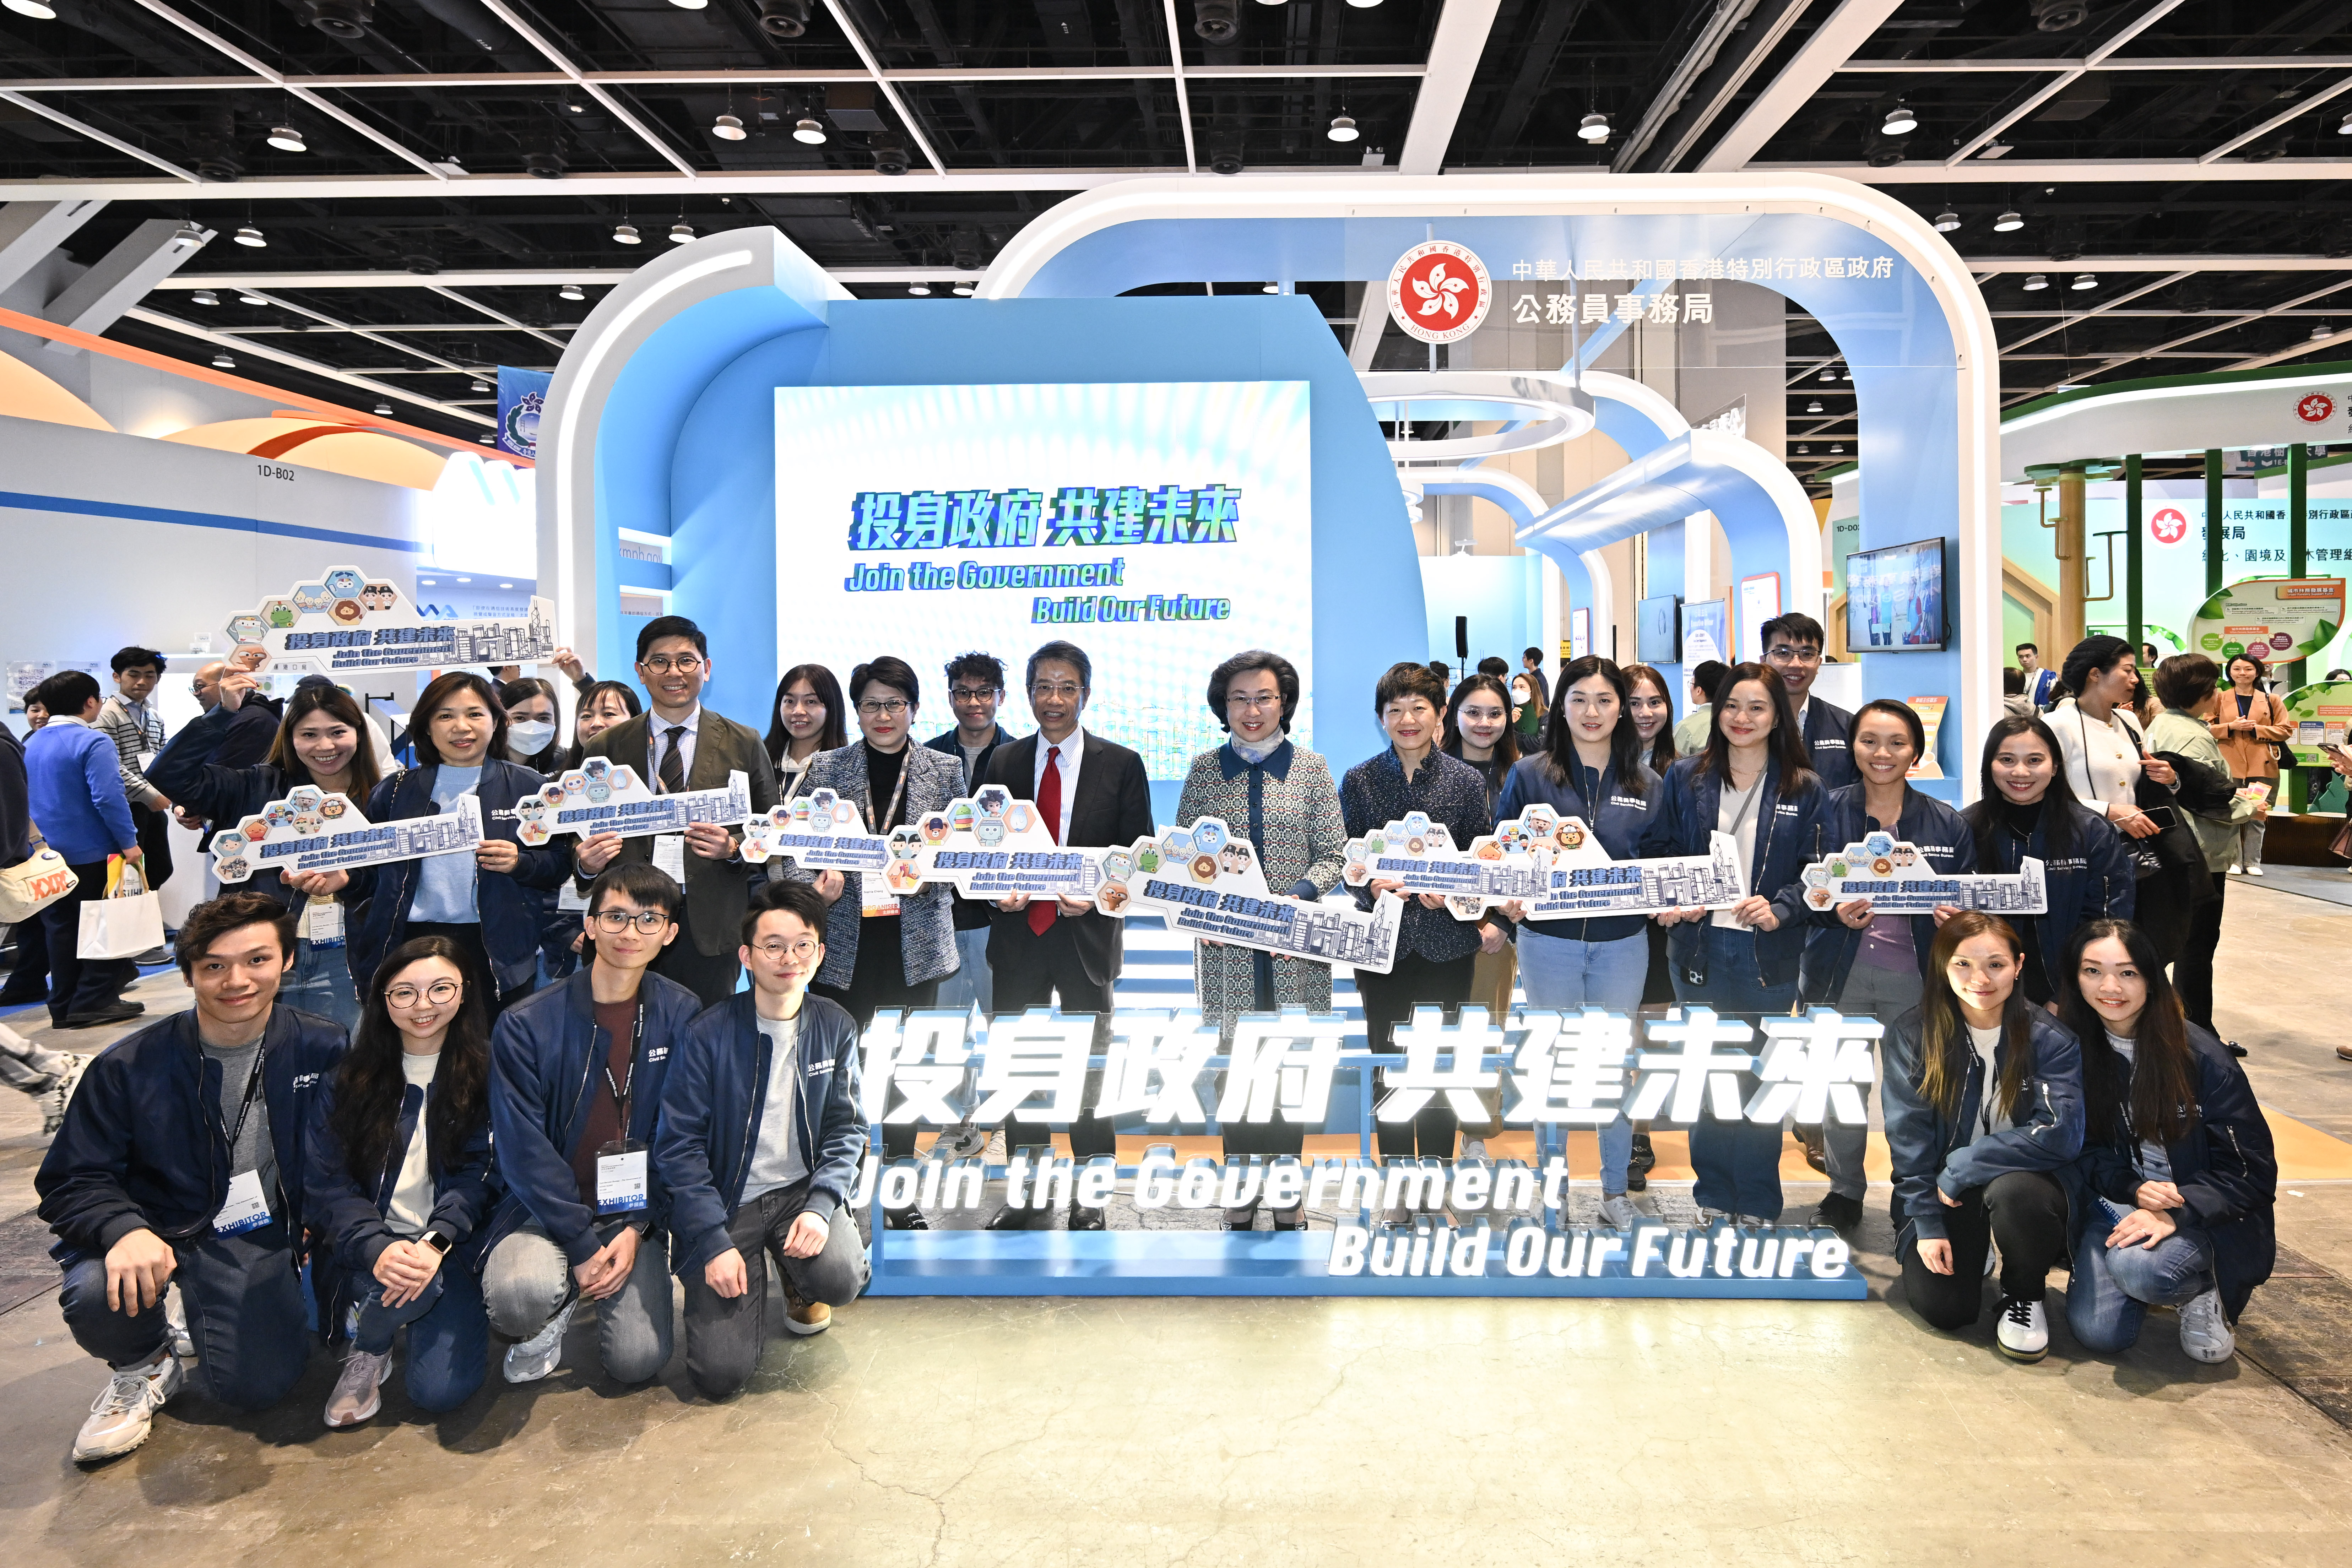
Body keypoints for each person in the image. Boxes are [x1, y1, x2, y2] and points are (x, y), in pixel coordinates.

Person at [36, 892, 341, 1464]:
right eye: (214, 965)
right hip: (149, 1226)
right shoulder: (127, 1064)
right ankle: (144, 1362)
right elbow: (72, 1176)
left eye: (257, 959)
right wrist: (124, 1229)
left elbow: (345, 1156)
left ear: (287, 960)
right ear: (188, 973)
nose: (237, 981)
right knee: (98, 1290)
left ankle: (205, 1305)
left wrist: (318, 1222)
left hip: (247, 1229)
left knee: (259, 1387)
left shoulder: (323, 1045)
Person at [482, 861, 700, 1385]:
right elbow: (522, 1149)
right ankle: (553, 1303)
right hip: (544, 1208)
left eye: (649, 919)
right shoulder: (526, 1022)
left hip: (631, 1209)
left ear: (670, 933)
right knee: (519, 1297)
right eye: (616, 916)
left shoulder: (681, 1011)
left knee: (637, 1361)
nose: (631, 932)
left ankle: (605, 1271)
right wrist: (580, 1244)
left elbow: (680, 1133)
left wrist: (639, 1226)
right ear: (591, 924)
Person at [659, 881, 871, 1400]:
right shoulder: (707, 1033)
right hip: (728, 1201)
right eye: (773, 945)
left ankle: (796, 1273)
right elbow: (679, 1146)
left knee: (842, 1277)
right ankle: (745, 1261)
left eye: (802, 944)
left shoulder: (835, 1025)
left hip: (798, 1193)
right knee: (720, 1374)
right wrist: (712, 1239)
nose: (789, 958)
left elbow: (847, 1127)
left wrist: (821, 1206)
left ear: (820, 953)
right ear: (746, 956)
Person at [1637, 661, 1828, 1226]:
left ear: (1778, 716)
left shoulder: (1803, 786)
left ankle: (1759, 1198)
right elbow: (1659, 848)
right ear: (1716, 711)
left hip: (1767, 953)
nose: (1741, 718)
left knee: (1759, 1076)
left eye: (1756, 707)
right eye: (1731, 706)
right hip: (1697, 948)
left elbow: (1820, 870)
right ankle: (1714, 1195)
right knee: (1708, 1074)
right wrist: (1675, 895)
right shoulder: (1686, 777)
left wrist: (1782, 906)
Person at [980, 641, 1154, 1233]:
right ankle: (1027, 1193)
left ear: (1085, 694)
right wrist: (995, 891)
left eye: (1066, 688)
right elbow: (987, 845)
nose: (1053, 699)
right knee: (1018, 1068)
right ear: (1028, 693)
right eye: (1043, 687)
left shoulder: (1121, 763)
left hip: (1087, 937)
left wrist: (1101, 895)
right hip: (1019, 935)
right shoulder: (1003, 761)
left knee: (1090, 1070)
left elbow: (1139, 856)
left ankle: (1091, 1194)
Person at [787, 656, 961, 1228]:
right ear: (856, 710)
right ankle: (837, 1183)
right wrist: (814, 888)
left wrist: (933, 874)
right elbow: (795, 848)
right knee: (840, 1067)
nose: (882, 715)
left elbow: (961, 853)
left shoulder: (944, 769)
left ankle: (900, 1188)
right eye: (870, 705)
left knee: (908, 1069)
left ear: (914, 708)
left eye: (894, 704)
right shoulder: (826, 766)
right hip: (843, 943)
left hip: (915, 946)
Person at [1177, 650, 1346, 1230]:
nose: (1252, 710)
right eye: (1240, 699)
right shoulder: (1204, 771)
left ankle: (1287, 1191)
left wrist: (1298, 895)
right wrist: (1205, 908)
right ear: (1223, 706)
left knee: (1290, 1066)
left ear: (1284, 703)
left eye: (1264, 698)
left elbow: (1334, 855)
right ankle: (1242, 1187)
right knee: (1235, 1066)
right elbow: (1184, 855)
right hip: (1226, 950)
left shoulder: (1312, 769)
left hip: (1294, 946)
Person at [2056, 920, 2275, 1363]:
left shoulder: (2202, 1057)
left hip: (2201, 1214)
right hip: (2116, 1204)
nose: (2110, 987)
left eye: (2128, 972)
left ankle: (2203, 1288)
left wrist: (2179, 1208)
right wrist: (2131, 1187)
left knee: (2141, 1271)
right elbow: (2078, 1146)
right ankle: (2130, 1270)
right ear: (2075, 978)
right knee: (2099, 1333)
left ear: (2152, 978)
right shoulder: (2070, 1049)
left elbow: (2251, 1171)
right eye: (2092, 971)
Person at [288, 671, 566, 1014]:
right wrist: (347, 879)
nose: (461, 727)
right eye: (445, 716)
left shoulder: (531, 787)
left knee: (494, 1043)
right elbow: (373, 875)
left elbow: (559, 864)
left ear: (496, 721)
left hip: (498, 949)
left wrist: (521, 862)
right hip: (409, 941)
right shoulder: (394, 792)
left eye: (475, 714)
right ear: (427, 727)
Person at [304, 935, 496, 1427]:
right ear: (383, 999)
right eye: (405, 992)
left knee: (439, 1392)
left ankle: (378, 1322)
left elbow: (483, 1174)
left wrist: (435, 1241)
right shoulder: (347, 1078)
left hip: (449, 1248)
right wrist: (379, 1247)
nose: (423, 1005)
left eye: (441, 988)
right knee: (410, 1288)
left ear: (464, 991)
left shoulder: (491, 1072)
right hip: (368, 1246)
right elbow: (327, 1183)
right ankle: (371, 1347)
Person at [1799, 699, 1975, 1234]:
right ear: (1852, 746)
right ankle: (1844, 1190)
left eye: (1897, 742)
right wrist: (1830, 910)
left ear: (1916, 751)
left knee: (1914, 1094)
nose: (1883, 753)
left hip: (1915, 978)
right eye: (1869, 740)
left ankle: (1911, 1192)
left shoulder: (1945, 821)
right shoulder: (1824, 811)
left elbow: (1968, 897)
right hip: (1839, 973)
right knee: (1842, 1088)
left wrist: (1954, 919)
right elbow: (1800, 886)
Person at [1496, 656, 1657, 1226]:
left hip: (1622, 942)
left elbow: (1662, 858)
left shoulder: (1647, 782)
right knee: (1554, 1064)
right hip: (1548, 941)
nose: (1592, 711)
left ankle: (1615, 1193)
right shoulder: (1529, 774)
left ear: (1622, 709)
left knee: (1611, 1064)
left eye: (1605, 700)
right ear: (1559, 706)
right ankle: (1555, 1191)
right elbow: (1501, 848)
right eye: (1580, 699)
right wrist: (1507, 897)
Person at [1881, 911, 2083, 1362]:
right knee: (1946, 1309)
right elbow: (1908, 1139)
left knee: (2016, 1194)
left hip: (2024, 1180)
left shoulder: (2051, 1038)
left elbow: (2061, 1134)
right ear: (1941, 966)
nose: (1980, 979)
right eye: (1962, 964)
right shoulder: (1913, 1033)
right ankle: (1976, 1245)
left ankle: (2024, 1293)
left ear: (2018, 965)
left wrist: (1967, 1163)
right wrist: (1927, 1222)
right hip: (1943, 1187)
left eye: (1995, 964)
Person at [1341, 662, 1507, 1207]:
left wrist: (1454, 893)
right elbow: (1350, 861)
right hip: (1382, 946)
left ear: (1439, 715)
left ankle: (1435, 1179)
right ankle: (1395, 1180)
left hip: (1445, 944)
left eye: (1418, 708)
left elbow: (1481, 861)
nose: (1406, 719)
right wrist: (1370, 887)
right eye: (1395, 710)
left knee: (1438, 1063)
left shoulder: (1465, 781)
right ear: (1381, 718)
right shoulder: (1360, 780)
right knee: (1388, 1062)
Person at [150, 673, 385, 1033]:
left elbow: (392, 880)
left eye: (338, 732)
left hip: (346, 959)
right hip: (258, 957)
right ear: (290, 738)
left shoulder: (382, 798)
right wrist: (222, 714)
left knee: (342, 1056)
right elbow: (169, 774)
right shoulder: (256, 787)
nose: (325, 745)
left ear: (359, 733)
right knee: (259, 1057)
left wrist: (350, 880)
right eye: (309, 734)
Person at [575, 616, 781, 1008]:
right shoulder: (606, 746)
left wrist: (734, 847)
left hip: (708, 922)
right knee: (621, 1027)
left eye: (686, 660)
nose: (674, 672)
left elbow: (771, 828)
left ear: (707, 667)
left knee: (704, 1030)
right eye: (659, 662)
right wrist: (585, 863)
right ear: (640, 671)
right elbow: (578, 833)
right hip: (628, 922)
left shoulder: (744, 742)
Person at [1958, 715, 2135, 1006]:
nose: (2020, 771)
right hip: (1984, 989)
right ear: (1989, 765)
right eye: (2007, 759)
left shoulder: (2090, 830)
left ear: (2054, 767)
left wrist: (2066, 993)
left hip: (2071, 990)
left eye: (2034, 760)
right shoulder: (1965, 828)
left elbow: (2109, 920)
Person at [2049, 636, 2188, 962]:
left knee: (2134, 943)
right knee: (2089, 943)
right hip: (2081, 852)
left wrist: (2169, 777)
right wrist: (2108, 810)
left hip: (2135, 855)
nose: (2136, 679)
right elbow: (2046, 792)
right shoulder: (2058, 725)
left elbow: (2140, 783)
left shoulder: (2130, 721)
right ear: (2095, 674)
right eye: (2127, 670)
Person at [24, 671, 143, 1030]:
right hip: (94, 852)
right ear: (91, 702)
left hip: (46, 857)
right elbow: (108, 797)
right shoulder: (94, 741)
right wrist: (129, 842)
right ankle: (94, 1000)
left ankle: (63, 1004)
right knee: (106, 926)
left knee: (61, 931)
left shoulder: (31, 743)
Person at [2146, 655, 2249, 1037]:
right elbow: (2202, 796)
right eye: (2214, 685)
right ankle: (2197, 1034)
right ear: (2202, 692)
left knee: (2186, 942)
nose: (2219, 691)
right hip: (2200, 852)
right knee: (2197, 946)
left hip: (2178, 847)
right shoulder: (2190, 735)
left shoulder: (2164, 724)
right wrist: (2250, 807)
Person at [926, 652, 1012, 1018]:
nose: (973, 702)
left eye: (984, 692)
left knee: (1005, 1028)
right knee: (939, 1037)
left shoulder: (1020, 756)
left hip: (1000, 920)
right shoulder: (927, 755)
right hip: (938, 918)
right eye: (963, 692)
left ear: (1001, 697)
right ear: (950, 698)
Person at [1441, 674, 1520, 1023]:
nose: (1484, 723)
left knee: (1484, 1036)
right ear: (1453, 713)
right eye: (1473, 712)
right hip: (1436, 921)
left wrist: (1501, 923)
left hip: (1495, 929)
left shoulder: (1522, 775)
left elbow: (1530, 857)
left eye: (1495, 713)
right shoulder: (1432, 774)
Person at [95, 646, 174, 904]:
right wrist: (151, 795)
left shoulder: (154, 716)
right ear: (117, 676)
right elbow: (111, 767)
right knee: (123, 877)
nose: (142, 681)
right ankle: (124, 925)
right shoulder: (106, 714)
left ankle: (142, 921)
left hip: (152, 807)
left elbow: (164, 761)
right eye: (134, 674)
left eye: (150, 675)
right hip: (125, 807)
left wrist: (174, 796)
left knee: (159, 869)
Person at [2211, 652, 2289, 875]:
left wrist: (2257, 729)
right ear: (2230, 672)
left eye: (2248, 669)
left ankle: (2253, 861)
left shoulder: (2272, 700)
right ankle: (2234, 860)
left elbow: (2285, 730)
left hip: (2262, 764)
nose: (2242, 673)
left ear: (2257, 672)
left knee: (2258, 813)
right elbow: (2205, 727)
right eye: (2237, 669)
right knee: (2232, 813)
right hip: (2229, 763)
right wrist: (2231, 727)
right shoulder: (2219, 698)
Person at [1757, 613, 1855, 790]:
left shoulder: (1846, 725)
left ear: (1819, 663)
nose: (1796, 664)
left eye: (1807, 654)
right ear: (1764, 662)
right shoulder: (1743, 724)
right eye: (1783, 653)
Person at [764, 663, 847, 803]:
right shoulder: (759, 759)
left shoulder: (845, 769)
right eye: (790, 701)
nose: (798, 711)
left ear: (831, 708)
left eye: (811, 702)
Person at [189, 660, 281, 770]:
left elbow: (222, 774)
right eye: (195, 688)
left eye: (200, 686)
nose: (196, 694)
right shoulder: (232, 718)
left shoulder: (254, 720)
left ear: (228, 683)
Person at [563, 679, 640, 774]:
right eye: (587, 716)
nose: (596, 724)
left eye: (609, 714)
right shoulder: (561, 781)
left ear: (634, 719)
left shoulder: (651, 774)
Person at [499, 676, 566, 774]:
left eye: (543, 718)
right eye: (520, 718)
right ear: (500, 719)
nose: (532, 728)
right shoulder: (482, 765)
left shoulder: (564, 762)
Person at [1672, 660, 1727, 755]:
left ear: (1699, 690)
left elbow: (1674, 762)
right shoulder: (1734, 722)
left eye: (1692, 683)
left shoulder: (1686, 727)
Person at [1508, 671, 1544, 749]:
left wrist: (1516, 735)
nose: (1517, 691)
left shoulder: (1544, 714)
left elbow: (1542, 744)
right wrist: (1511, 724)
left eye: (1522, 687)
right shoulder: (1511, 713)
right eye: (1514, 688)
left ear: (1532, 691)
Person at [2017, 643, 2057, 710]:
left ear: (2036, 657)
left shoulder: (2049, 677)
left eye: (2028, 656)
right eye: (2021, 657)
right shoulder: (2017, 677)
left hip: (2042, 714)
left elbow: (2054, 701)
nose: (2024, 660)